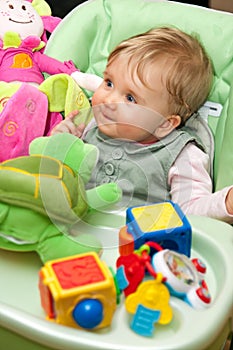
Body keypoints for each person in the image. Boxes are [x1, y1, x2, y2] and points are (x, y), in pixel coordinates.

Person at [52, 26, 233, 223]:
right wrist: (61, 143)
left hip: (141, 245)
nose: (108, 100)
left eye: (130, 98)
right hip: (73, 230)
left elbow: (190, 211)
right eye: (109, 83)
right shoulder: (90, 127)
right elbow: (57, 179)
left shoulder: (182, 155)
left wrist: (226, 203)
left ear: (165, 123)